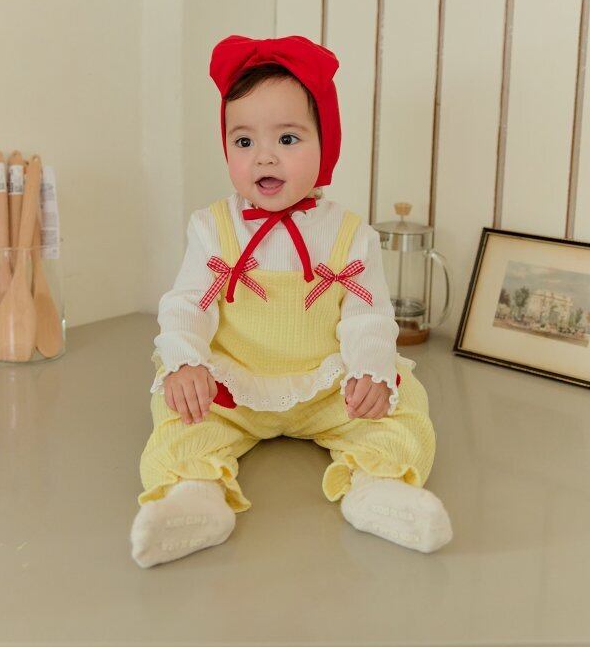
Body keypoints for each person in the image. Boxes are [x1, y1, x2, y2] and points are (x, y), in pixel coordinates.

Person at [130, 35, 453, 567]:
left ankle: (378, 486)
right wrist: (186, 360)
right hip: (233, 385)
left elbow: (368, 313)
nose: (264, 156)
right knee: (179, 412)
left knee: (402, 403)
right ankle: (195, 496)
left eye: (287, 137)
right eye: (243, 141)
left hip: (328, 386)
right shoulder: (212, 227)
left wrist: (370, 369)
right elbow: (187, 303)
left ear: (327, 145)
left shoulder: (351, 234)